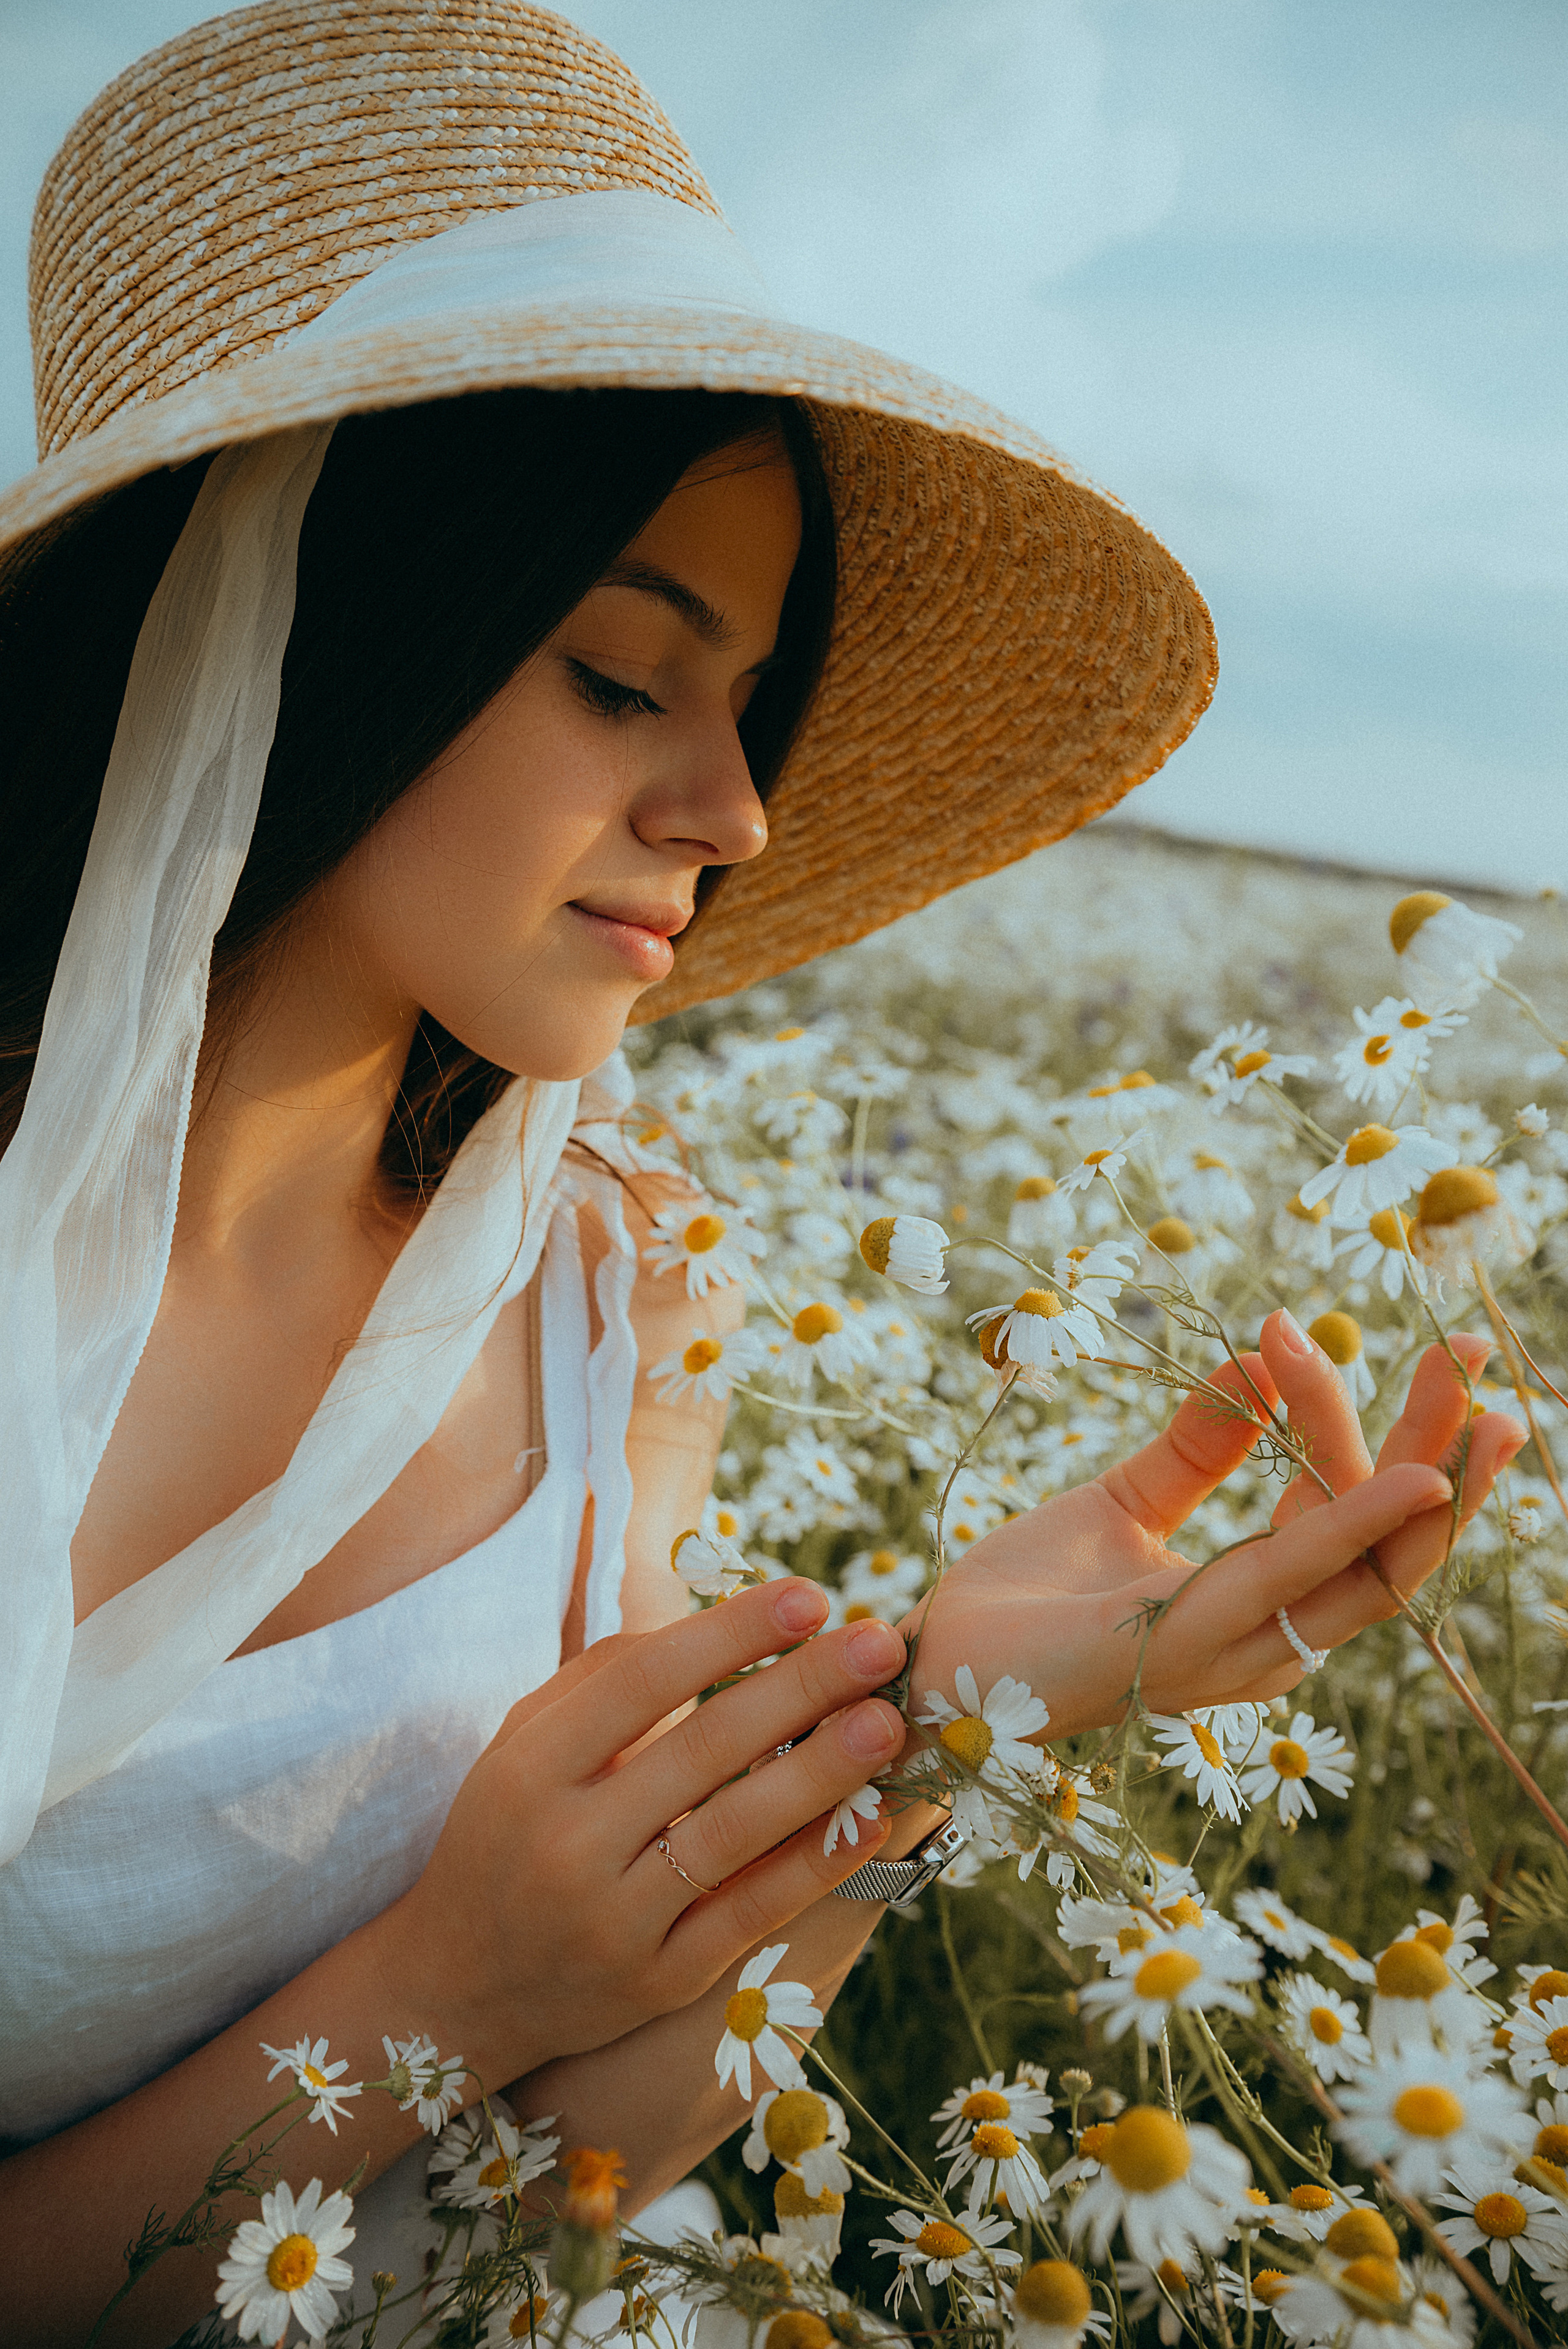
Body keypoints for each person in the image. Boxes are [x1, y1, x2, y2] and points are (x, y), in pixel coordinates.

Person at [0, 5, 1521, 2341]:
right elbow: (483, 2008)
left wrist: (928, 1715)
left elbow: (565, 2169)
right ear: (314, 638)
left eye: (755, 700)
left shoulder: (618, 1273)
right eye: (625, 675)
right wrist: (441, 1968)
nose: (739, 812)